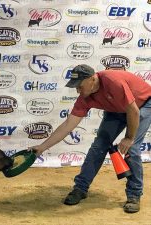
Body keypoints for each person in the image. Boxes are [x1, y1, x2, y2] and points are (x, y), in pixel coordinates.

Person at [31, 64, 151, 213]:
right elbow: (68, 124)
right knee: (98, 147)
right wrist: (42, 147)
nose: (77, 90)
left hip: (142, 105)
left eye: (80, 86)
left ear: (92, 79)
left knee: (131, 148)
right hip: (116, 109)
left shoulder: (113, 82)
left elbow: (133, 111)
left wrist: (129, 138)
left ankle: (134, 195)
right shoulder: (84, 97)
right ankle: (80, 188)